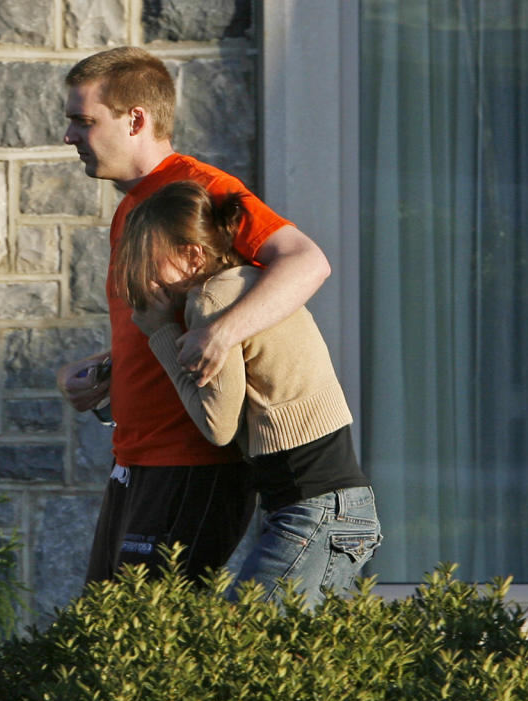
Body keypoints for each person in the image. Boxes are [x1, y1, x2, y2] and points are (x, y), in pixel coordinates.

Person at [56, 46, 332, 585]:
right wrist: (106, 371)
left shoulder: (200, 190)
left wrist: (223, 331)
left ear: (136, 119)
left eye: (83, 121)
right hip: (136, 459)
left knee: (139, 647)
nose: (69, 136)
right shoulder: (133, 205)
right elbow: (164, 324)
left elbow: (306, 261)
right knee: (99, 638)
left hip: (191, 464)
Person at [112, 180, 381, 606]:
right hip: (335, 507)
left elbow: (218, 426)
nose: (144, 277)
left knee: (243, 642)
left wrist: (161, 333)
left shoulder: (212, 298)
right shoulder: (248, 280)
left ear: (193, 255)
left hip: (313, 509)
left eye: (151, 261)